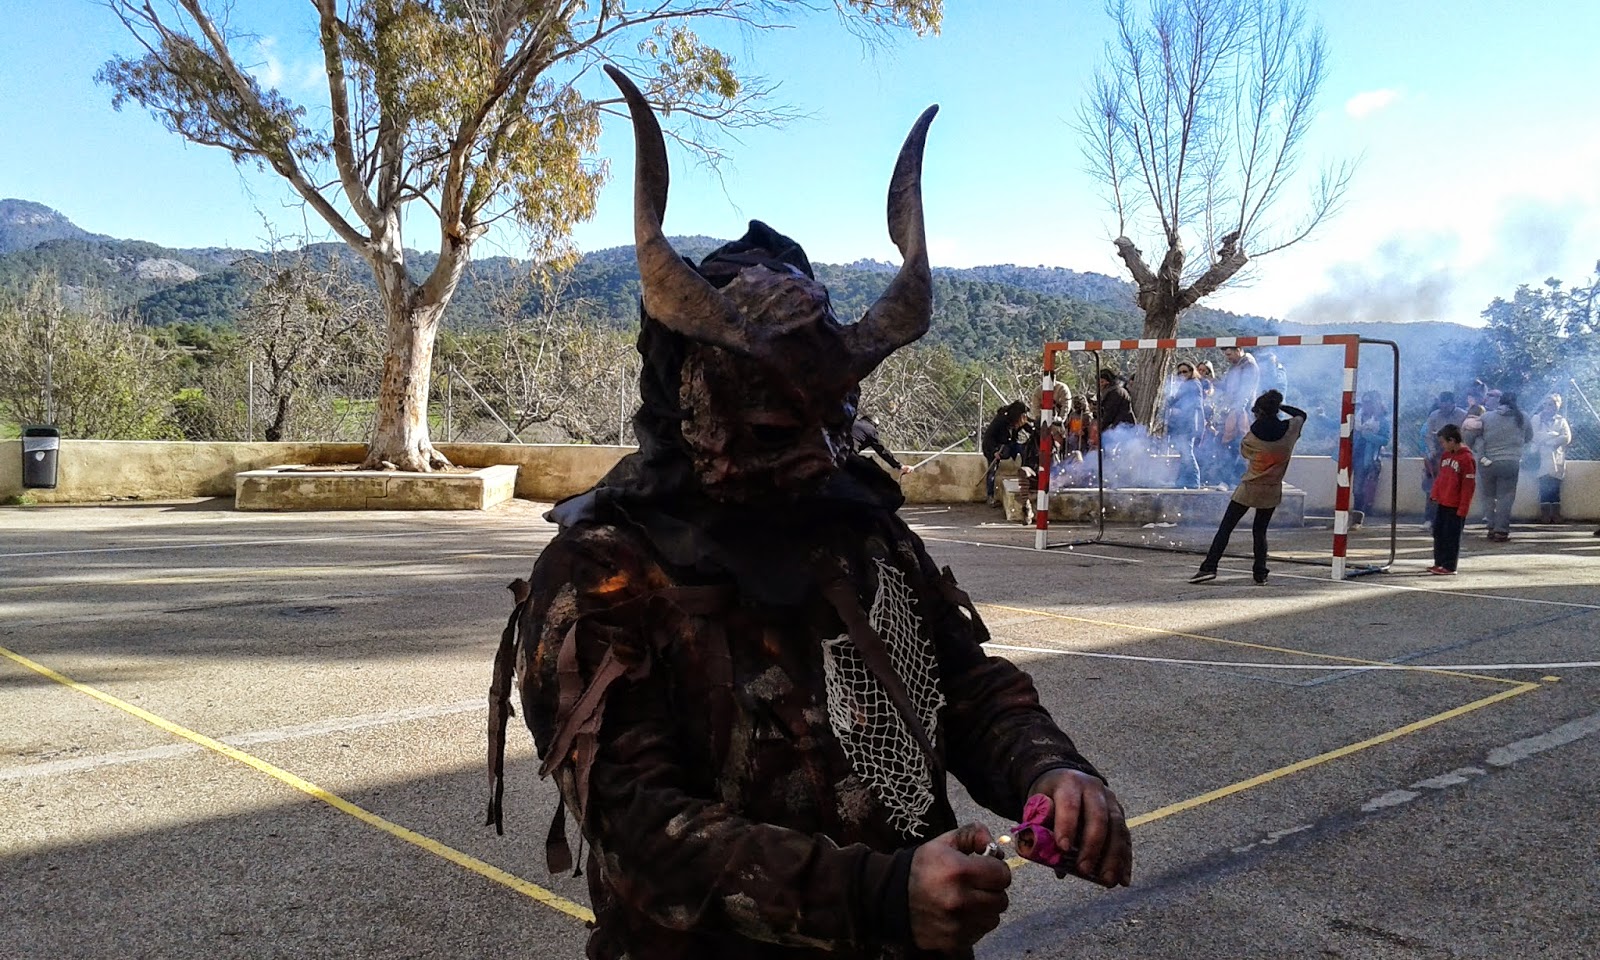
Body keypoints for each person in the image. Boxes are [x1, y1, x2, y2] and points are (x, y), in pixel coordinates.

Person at [488, 71, 1131, 960]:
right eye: (771, 428)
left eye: (835, 422)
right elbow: (639, 828)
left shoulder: (859, 531)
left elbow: (962, 685)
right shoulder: (605, 568)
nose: (819, 458)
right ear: (692, 399)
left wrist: (1049, 769)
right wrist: (879, 897)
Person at [1188, 390, 1307, 586]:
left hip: (1250, 487)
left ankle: (1209, 567)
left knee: (1226, 528)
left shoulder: (1251, 439)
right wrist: (1279, 407)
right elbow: (1301, 414)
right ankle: (1260, 573)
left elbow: (1245, 454)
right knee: (1260, 531)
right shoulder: (1290, 431)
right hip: (1272, 489)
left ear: (1259, 412)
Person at [1465, 390, 1533, 541]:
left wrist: (1476, 448)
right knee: (1505, 497)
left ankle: (1491, 526)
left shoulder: (1487, 417)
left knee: (1488, 496)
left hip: (1487, 462)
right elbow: (1529, 437)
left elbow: (1469, 435)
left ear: (1500, 401)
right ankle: (1501, 530)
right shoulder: (1523, 417)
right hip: (1511, 462)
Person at [1428, 424, 1476, 575]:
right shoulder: (1446, 456)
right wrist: (1435, 493)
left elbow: (1468, 486)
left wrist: (1463, 507)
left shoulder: (1467, 459)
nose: (1442, 445)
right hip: (1443, 502)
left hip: (1455, 505)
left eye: (1443, 442)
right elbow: (1441, 477)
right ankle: (1439, 562)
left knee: (1451, 536)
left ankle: (1449, 566)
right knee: (1438, 532)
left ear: (1452, 440)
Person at [1419, 391, 1468, 530]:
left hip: (1456, 455)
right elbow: (1427, 435)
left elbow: (1466, 436)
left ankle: (1452, 519)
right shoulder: (1434, 415)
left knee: (1454, 487)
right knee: (1432, 486)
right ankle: (1430, 518)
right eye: (1442, 404)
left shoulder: (1462, 416)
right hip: (1437, 456)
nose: (1444, 407)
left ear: (1453, 403)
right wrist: (1431, 451)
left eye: (1447, 404)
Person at [1531, 393, 1572, 523]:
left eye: (1552, 405)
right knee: (1544, 485)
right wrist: (1553, 434)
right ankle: (1545, 515)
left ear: (1557, 406)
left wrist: (1551, 441)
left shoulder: (1561, 420)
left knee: (1555, 486)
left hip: (1556, 457)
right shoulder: (1537, 418)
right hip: (1541, 457)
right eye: (1546, 404)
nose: (1548, 407)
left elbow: (1567, 437)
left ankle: (1556, 514)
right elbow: (1534, 436)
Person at [1350, 390, 1391, 521]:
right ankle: (1351, 515)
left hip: (1367, 457)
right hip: (1352, 454)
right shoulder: (1356, 417)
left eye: (1369, 402)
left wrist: (1369, 436)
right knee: (1349, 486)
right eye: (1364, 402)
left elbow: (1385, 440)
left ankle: (1358, 516)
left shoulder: (1381, 421)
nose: (1366, 405)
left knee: (1359, 488)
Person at [1164, 359, 1205, 488]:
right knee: (1184, 453)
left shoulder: (1194, 385)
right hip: (1182, 425)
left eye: (1185, 372)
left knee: (1187, 453)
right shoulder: (1186, 385)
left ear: (1191, 372)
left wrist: (1179, 410)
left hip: (1188, 425)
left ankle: (1194, 482)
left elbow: (1195, 406)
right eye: (1180, 372)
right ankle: (1182, 482)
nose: (1182, 374)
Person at [982, 400, 1031, 505]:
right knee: (992, 470)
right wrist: (994, 451)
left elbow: (1029, 428)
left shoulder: (1018, 420)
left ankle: (1024, 476)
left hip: (1010, 445)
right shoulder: (1000, 420)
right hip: (996, 447)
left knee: (1024, 450)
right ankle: (990, 496)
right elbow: (989, 438)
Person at [1095, 367, 1135, 434]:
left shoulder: (1115, 392)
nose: (1100, 385)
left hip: (1122, 427)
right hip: (1118, 427)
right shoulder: (1112, 391)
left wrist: (1101, 428)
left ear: (1108, 381)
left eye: (1102, 382)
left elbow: (1109, 413)